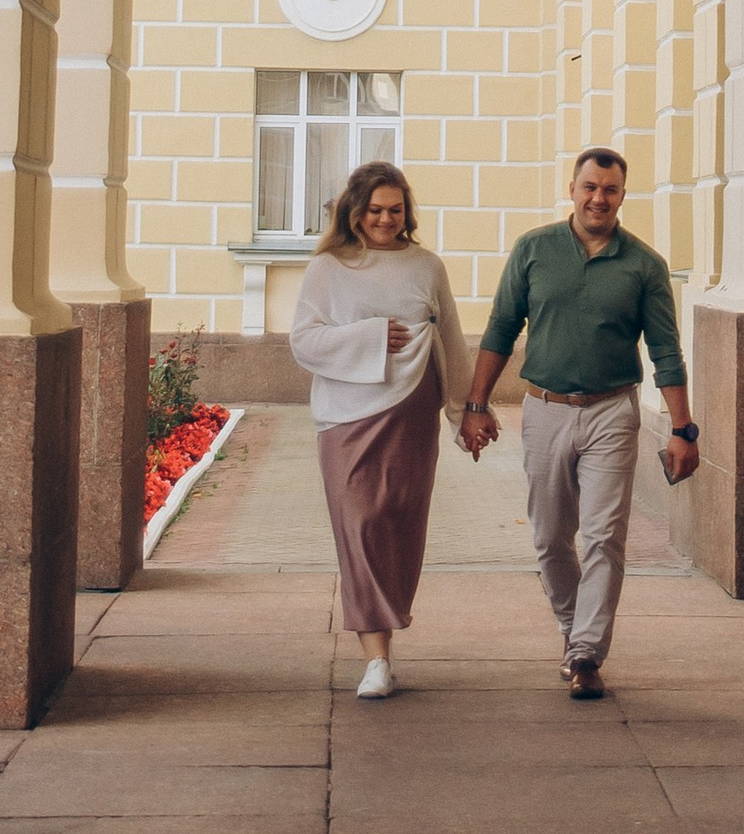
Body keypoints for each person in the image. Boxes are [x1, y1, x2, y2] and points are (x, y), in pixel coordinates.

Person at [457, 147, 698, 700]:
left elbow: (666, 351)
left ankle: (587, 652)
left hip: (613, 411)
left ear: (622, 196)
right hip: (544, 409)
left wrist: (684, 430)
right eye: (590, 187)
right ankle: (573, 632)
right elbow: (499, 330)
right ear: (573, 189)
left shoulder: (644, 265)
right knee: (548, 537)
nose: (599, 198)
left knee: (605, 536)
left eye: (610, 190)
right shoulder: (534, 250)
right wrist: (476, 404)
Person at [290, 159, 471, 698]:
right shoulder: (327, 268)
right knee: (361, 523)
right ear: (354, 210)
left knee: (399, 523)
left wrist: (467, 413)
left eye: (395, 210)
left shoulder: (427, 266)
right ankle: (376, 658)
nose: (385, 220)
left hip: (413, 411)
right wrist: (370, 337)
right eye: (374, 210)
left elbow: (453, 341)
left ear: (406, 212)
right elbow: (303, 341)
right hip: (346, 415)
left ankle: (386, 639)